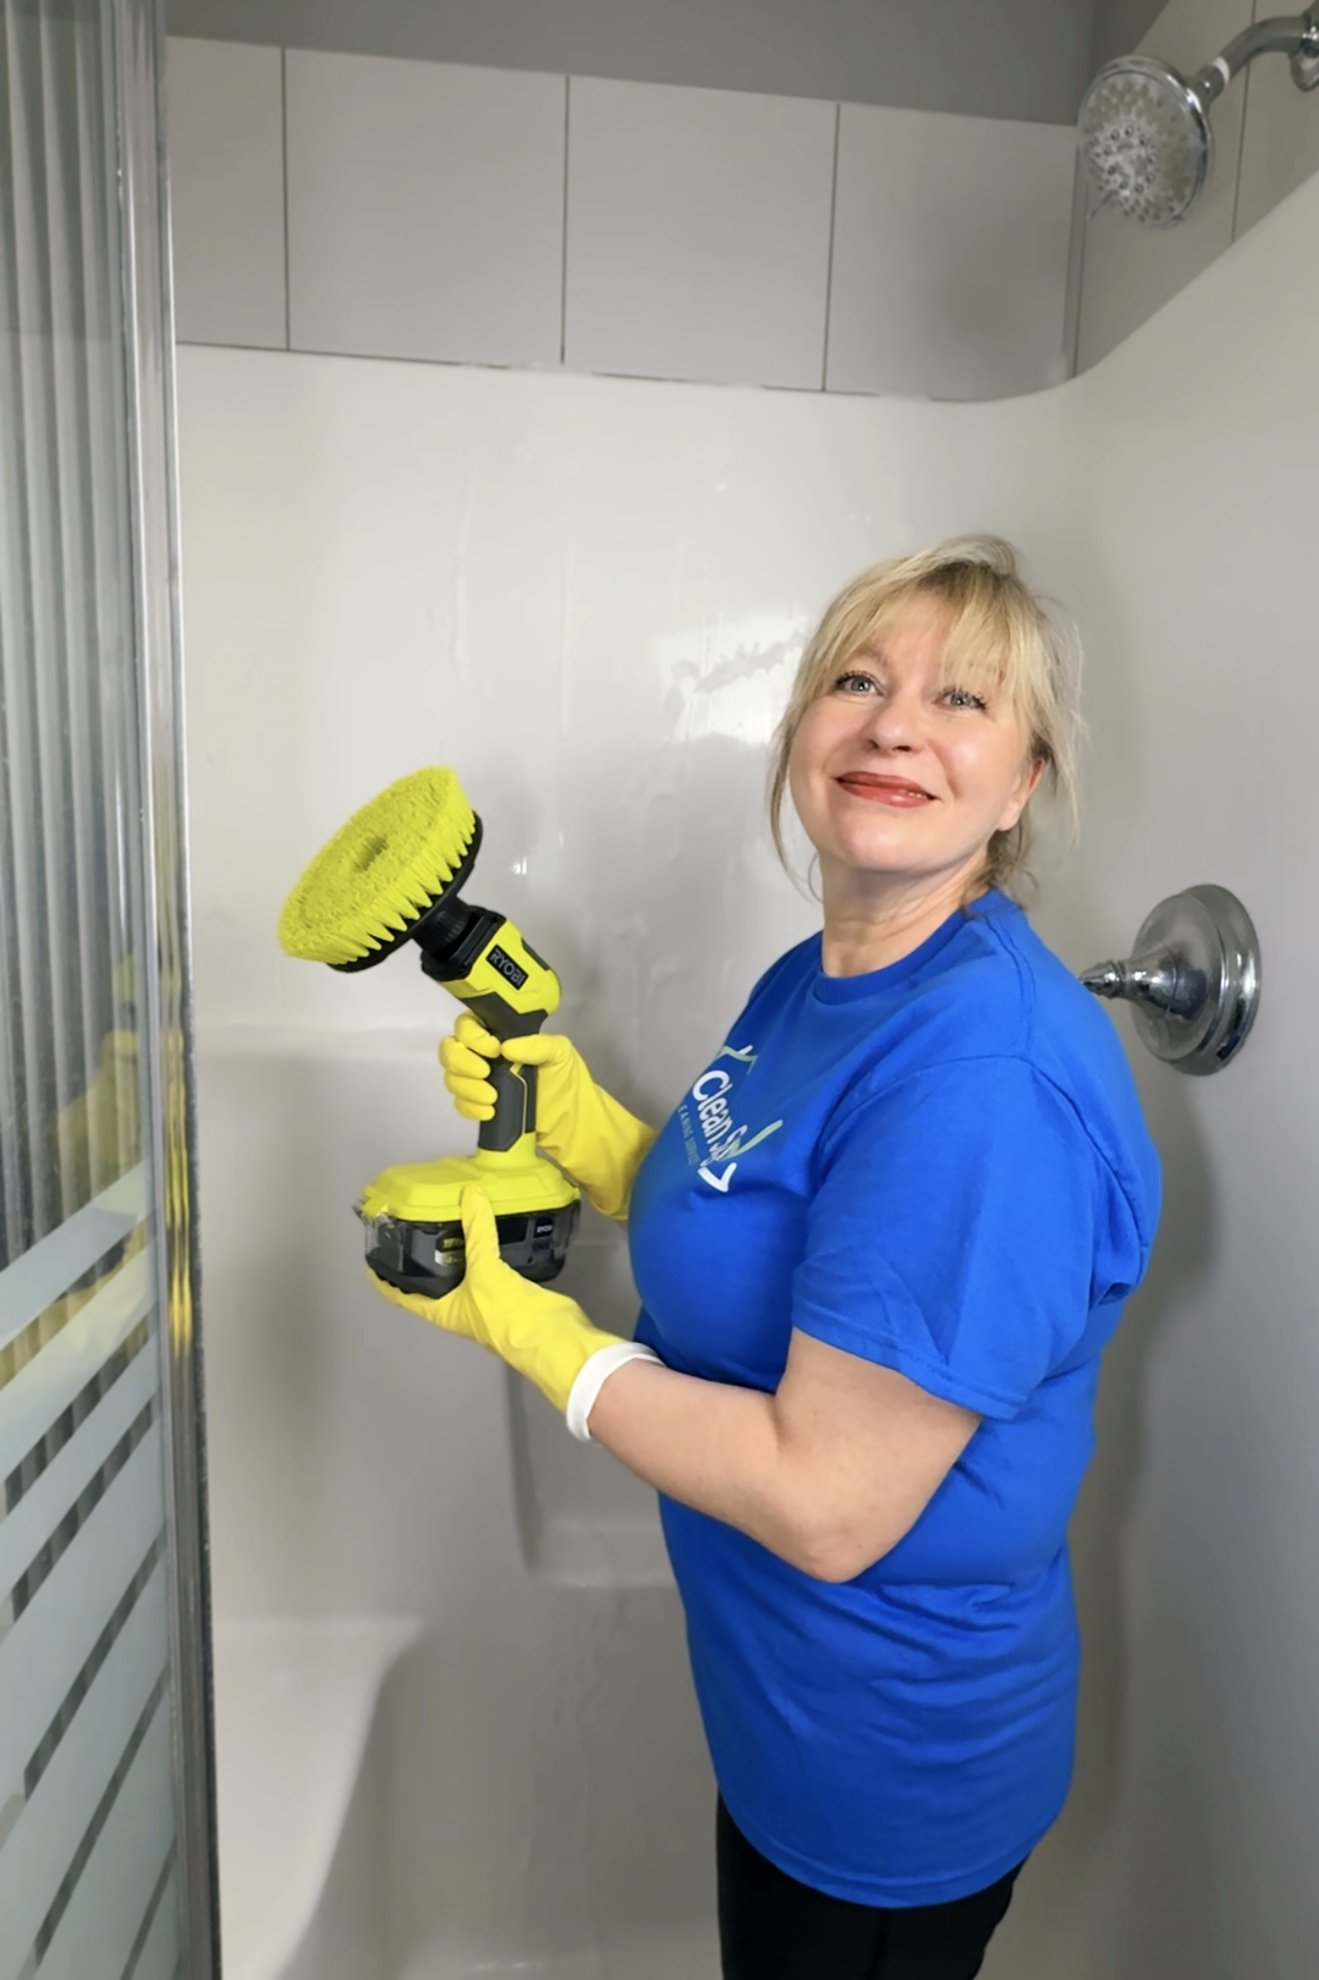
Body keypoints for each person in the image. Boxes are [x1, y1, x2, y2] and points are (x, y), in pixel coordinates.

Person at [374, 536, 1162, 1980]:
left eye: (962, 701)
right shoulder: (824, 976)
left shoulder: (982, 1075)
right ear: (801, 729)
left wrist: (524, 1327)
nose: (893, 723)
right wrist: (578, 1121)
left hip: (886, 1766)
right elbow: (759, 1212)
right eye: (855, 679)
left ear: (1025, 779)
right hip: (787, 1710)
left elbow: (827, 1502)